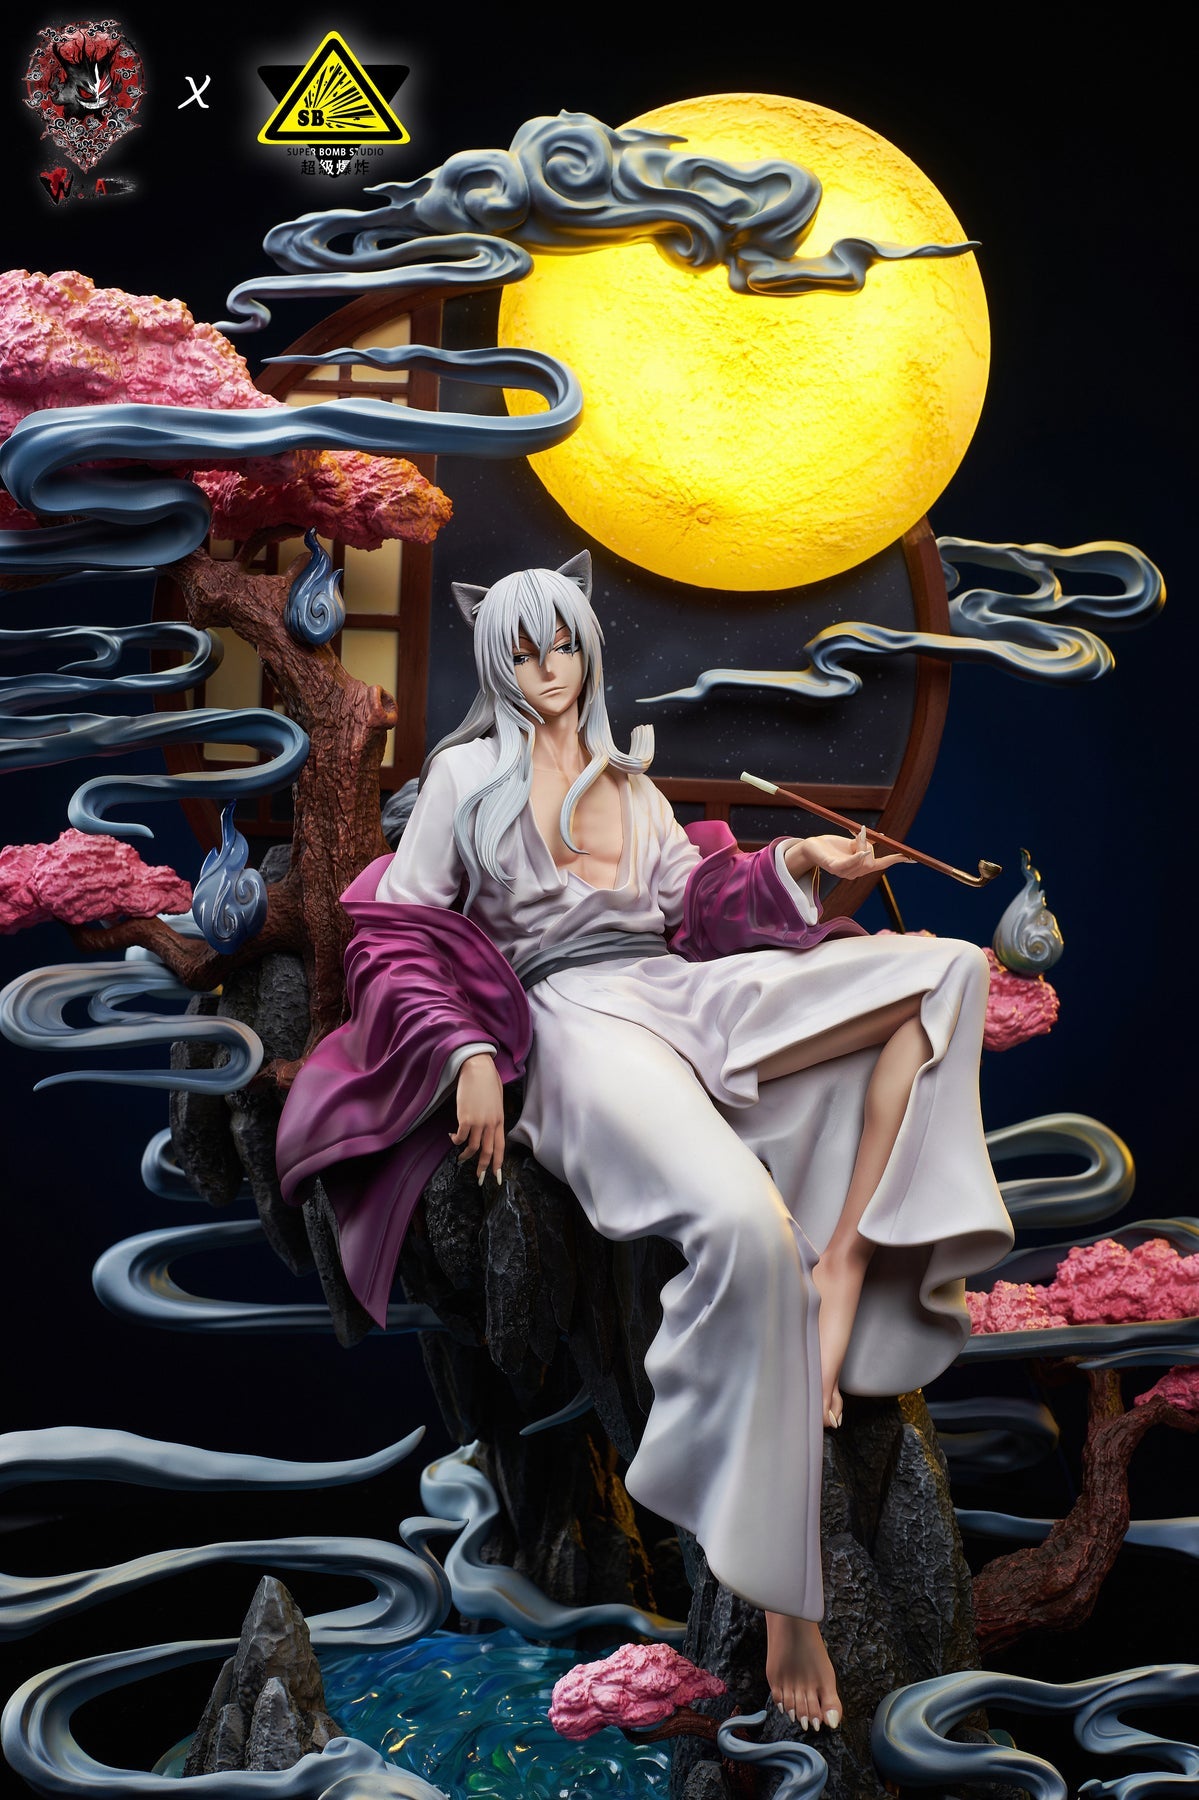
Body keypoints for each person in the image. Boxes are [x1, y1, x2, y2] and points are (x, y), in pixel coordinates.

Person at [277, 551, 1013, 1733]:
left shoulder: (629, 778)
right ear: (493, 660)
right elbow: (393, 936)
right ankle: (782, 1599)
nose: (546, 668)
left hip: (676, 990)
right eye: (521, 650)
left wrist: (798, 862)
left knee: (942, 975)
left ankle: (843, 1265)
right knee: (742, 1226)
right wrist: (465, 1054)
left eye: (561, 643)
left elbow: (696, 911)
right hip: (570, 1022)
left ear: (586, 648)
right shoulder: (463, 775)